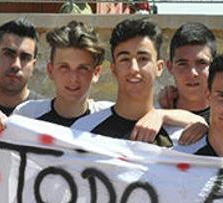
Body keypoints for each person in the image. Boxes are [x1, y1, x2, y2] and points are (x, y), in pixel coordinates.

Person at [71, 17, 204, 147]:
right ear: (113, 69)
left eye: (143, 58)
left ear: (159, 68)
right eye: (124, 59)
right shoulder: (81, 131)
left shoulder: (182, 138)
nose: (134, 68)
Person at [13, 20, 110, 126]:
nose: (73, 78)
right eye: (64, 67)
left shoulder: (109, 118)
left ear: (96, 73)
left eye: (82, 68)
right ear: (50, 70)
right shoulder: (27, 115)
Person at [0, 18, 41, 116]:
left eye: (25, 58)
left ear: (33, 65)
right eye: (9, 54)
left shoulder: (45, 115)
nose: (16, 65)